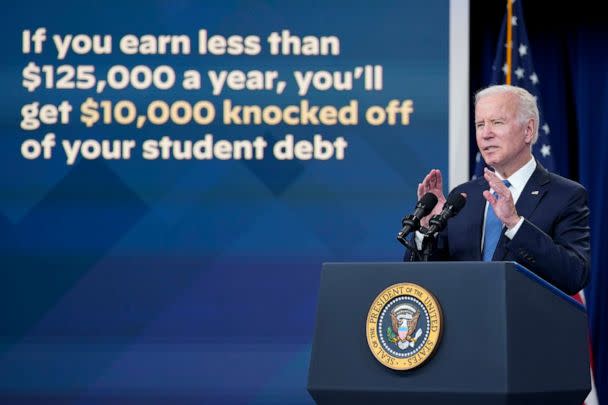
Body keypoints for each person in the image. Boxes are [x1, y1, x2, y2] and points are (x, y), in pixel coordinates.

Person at [407, 84, 590, 295]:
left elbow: (575, 275)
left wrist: (515, 224)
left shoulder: (566, 195)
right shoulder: (464, 197)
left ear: (528, 130)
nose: (485, 134)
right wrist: (427, 231)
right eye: (479, 124)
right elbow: (422, 278)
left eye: (497, 122)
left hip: (525, 325)